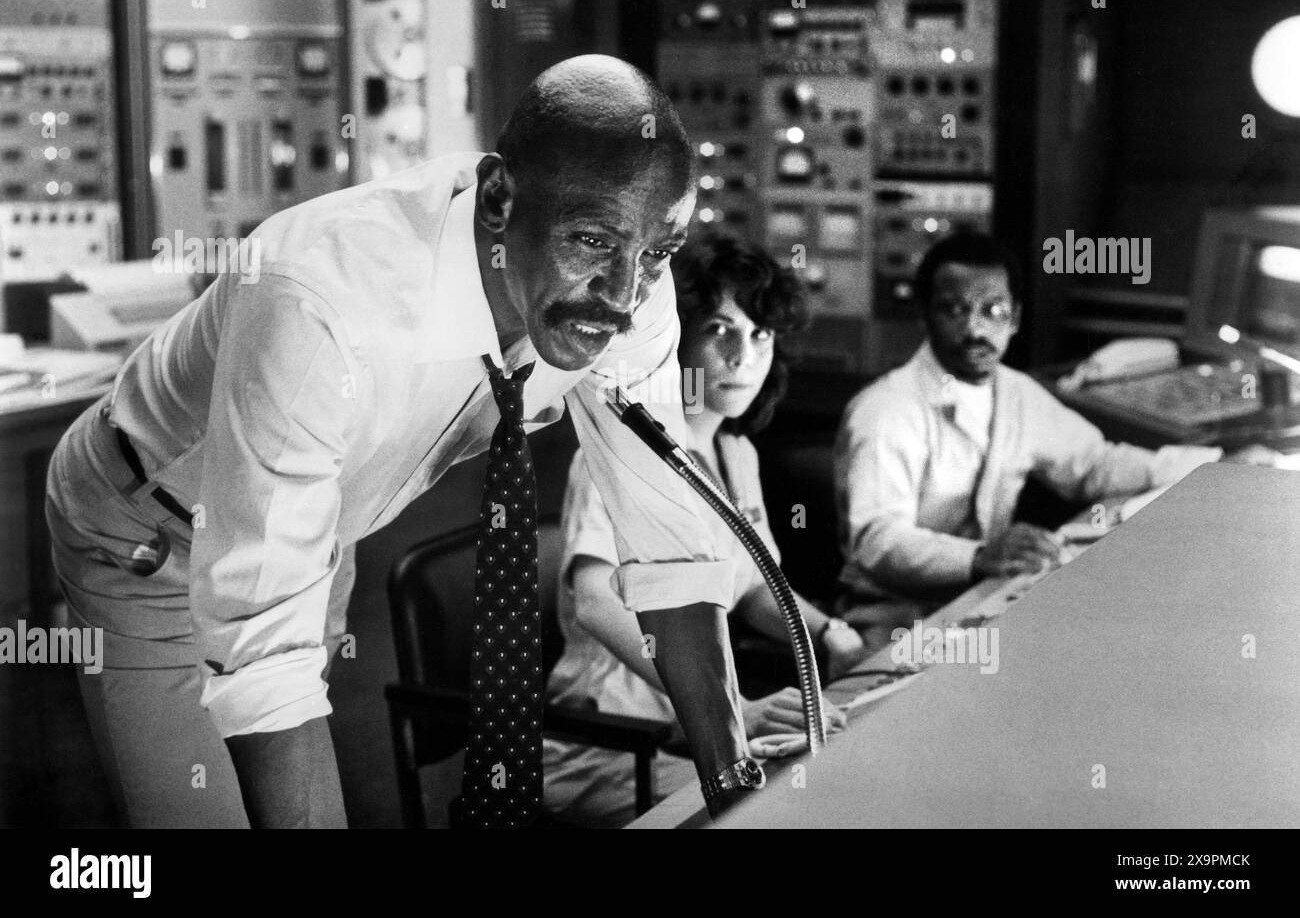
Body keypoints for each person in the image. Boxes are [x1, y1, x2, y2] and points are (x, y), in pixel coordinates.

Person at [45, 55, 765, 827]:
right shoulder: (320, 301)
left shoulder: (628, 283)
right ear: (498, 198)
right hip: (146, 527)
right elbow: (266, 663)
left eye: (658, 251)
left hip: (320, 518)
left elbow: (670, 551)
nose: (624, 296)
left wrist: (741, 786)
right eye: (591, 240)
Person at [543, 232, 865, 826]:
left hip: (694, 734)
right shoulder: (620, 448)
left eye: (760, 336)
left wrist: (831, 633)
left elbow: (747, 586)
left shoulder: (736, 453)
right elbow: (593, 603)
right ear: (676, 338)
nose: (744, 356)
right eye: (720, 331)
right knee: (781, 813)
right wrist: (731, 709)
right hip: (614, 742)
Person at [833, 231, 1255, 650]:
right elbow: (877, 539)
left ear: (1014, 318)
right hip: (888, 623)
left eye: (992, 310)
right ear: (924, 316)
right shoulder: (885, 409)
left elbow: (1094, 464)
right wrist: (979, 557)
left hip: (975, 604)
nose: (975, 328)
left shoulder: (1016, 393)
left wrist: (1219, 463)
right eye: (954, 310)